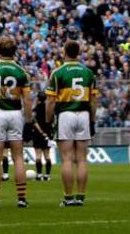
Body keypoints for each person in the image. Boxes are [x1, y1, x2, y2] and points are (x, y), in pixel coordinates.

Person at [0, 36, 32, 209]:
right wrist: (29, 121)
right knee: (18, 157)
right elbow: (27, 100)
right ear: (14, 51)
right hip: (16, 113)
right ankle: (22, 198)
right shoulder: (21, 72)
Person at [46, 40, 98, 207]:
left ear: (65, 52)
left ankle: (68, 197)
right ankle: (81, 196)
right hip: (83, 113)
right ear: (78, 52)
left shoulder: (58, 72)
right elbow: (93, 101)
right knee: (82, 159)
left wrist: (48, 121)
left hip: (66, 114)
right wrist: (92, 120)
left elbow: (50, 101)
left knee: (67, 159)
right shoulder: (88, 73)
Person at [31, 91, 53, 182]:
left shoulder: (36, 108)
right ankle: (47, 175)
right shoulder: (49, 108)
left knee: (38, 155)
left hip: (37, 133)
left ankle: (39, 175)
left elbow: (34, 121)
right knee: (47, 155)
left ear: (38, 98)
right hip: (47, 133)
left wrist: (40, 132)